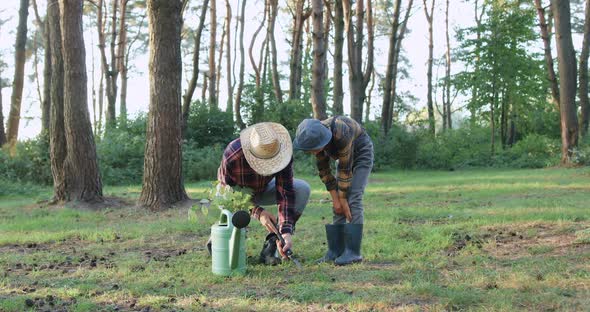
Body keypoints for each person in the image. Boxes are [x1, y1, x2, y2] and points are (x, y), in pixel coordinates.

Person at [217, 122, 311, 263]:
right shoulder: (233, 154)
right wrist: (258, 212)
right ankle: (221, 239)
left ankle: (272, 247)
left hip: (264, 189)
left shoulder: (283, 153)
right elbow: (229, 193)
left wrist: (285, 231)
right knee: (225, 199)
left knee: (302, 188)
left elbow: (285, 192)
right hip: (234, 194)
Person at [293, 116, 373, 265]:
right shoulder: (314, 137)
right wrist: (336, 200)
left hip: (361, 152)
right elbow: (324, 171)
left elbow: (345, 170)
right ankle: (335, 250)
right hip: (343, 158)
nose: (311, 153)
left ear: (322, 141)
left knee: (353, 197)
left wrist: (342, 199)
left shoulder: (341, 131)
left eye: (313, 150)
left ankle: (353, 252)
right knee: (338, 203)